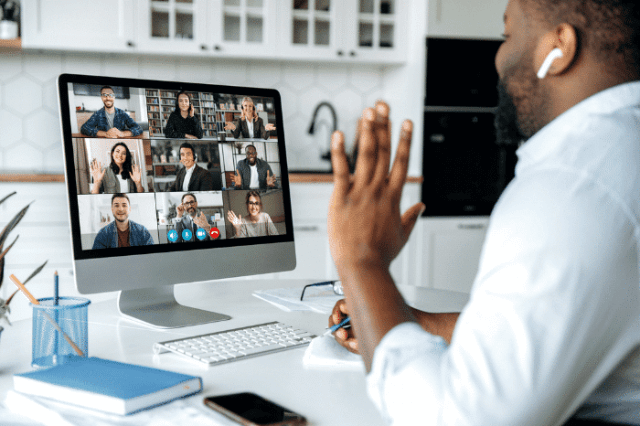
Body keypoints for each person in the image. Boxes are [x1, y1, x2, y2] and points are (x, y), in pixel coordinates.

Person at [327, 0, 640, 425]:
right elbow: (543, 326)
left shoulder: (570, 188)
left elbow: (460, 418)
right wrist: (406, 321)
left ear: (559, 46)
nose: (498, 59)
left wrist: (361, 260)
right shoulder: (620, 148)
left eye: (507, 36)